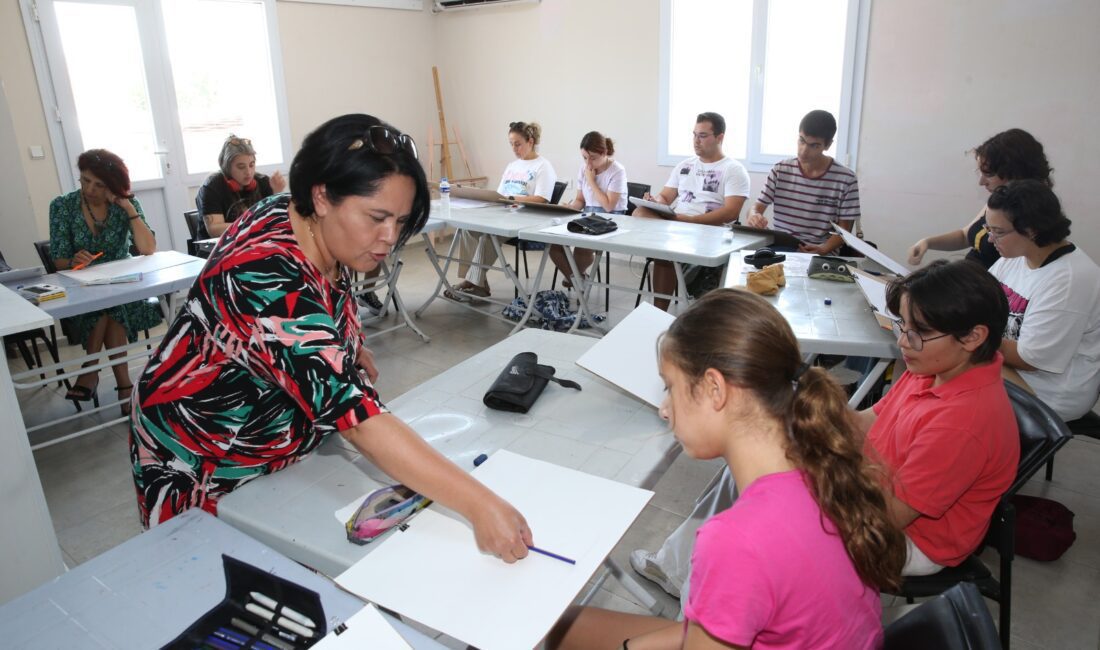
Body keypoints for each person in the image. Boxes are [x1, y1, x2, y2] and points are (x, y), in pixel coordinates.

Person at [129, 114, 533, 565]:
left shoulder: (303, 218)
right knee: (222, 576)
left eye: (400, 220)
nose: (390, 237)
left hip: (277, 432)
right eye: (377, 217)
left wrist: (347, 342)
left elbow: (319, 297)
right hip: (206, 452)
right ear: (322, 196)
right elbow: (356, 418)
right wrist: (479, 504)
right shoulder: (263, 273)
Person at [632, 260, 1020, 598]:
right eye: (902, 324)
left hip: (909, 541)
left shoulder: (964, 423)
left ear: (973, 337)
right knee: (752, 455)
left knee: (765, 494)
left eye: (918, 331)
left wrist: (811, 473)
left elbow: (890, 517)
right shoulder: (934, 369)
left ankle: (708, 597)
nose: (903, 341)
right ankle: (681, 568)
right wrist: (797, 391)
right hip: (874, 488)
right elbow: (866, 424)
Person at [548, 289, 904, 649]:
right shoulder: (827, 470)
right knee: (558, 625)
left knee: (548, 633)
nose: (664, 408)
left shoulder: (736, 540)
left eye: (670, 387)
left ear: (715, 389)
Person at [49, 149, 161, 413]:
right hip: (81, 290)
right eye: (85, 180)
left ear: (112, 185)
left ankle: (91, 369)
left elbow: (148, 248)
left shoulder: (125, 205)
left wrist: (128, 208)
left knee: (111, 303)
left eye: (99, 185)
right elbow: (59, 261)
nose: (90, 189)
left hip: (124, 286)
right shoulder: (62, 206)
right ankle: (124, 386)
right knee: (107, 306)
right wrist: (74, 260)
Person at [985, 179, 1100, 421]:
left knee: (944, 371)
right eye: (989, 229)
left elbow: (1029, 359)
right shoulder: (1016, 255)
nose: (990, 239)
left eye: (998, 232)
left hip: (1048, 392)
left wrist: (964, 333)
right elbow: (976, 296)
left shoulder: (1069, 280)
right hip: (1007, 364)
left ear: (1031, 230)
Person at [633, 112, 750, 311]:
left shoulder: (734, 169)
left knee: (665, 250)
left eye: (702, 136)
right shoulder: (684, 166)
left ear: (720, 137)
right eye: (694, 135)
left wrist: (690, 221)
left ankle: (666, 303)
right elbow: (665, 197)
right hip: (676, 225)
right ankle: (659, 312)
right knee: (640, 212)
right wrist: (655, 202)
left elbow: (731, 212)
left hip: (709, 230)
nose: (696, 141)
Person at [907, 128, 1053, 268]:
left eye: (989, 174)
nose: (981, 182)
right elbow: (965, 235)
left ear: (1015, 173)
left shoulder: (1033, 215)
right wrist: (927, 242)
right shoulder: (1000, 200)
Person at [446, 121, 556, 301]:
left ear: (530, 141)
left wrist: (512, 199)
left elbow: (542, 199)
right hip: (504, 213)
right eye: (511, 144)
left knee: (489, 234)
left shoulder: (543, 166)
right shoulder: (512, 166)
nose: (514, 149)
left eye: (518, 144)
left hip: (526, 218)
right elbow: (499, 195)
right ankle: (477, 282)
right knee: (467, 229)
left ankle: (473, 283)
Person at [745, 110, 860, 254]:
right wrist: (754, 216)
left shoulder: (846, 179)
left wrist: (823, 249)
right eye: (802, 140)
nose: (804, 151)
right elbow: (756, 208)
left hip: (821, 252)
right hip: (780, 248)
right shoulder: (780, 170)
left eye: (814, 146)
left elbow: (844, 231)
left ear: (828, 145)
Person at [548, 131, 627, 287]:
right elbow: (580, 200)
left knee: (582, 245)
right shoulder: (583, 169)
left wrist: (591, 181)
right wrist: (570, 208)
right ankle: (577, 279)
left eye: (593, 158)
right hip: (588, 216)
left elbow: (608, 206)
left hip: (612, 218)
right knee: (553, 244)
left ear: (604, 153)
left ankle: (574, 279)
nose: (588, 163)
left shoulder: (617, 170)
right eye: (585, 158)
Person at [197, 135, 287, 238]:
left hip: (254, 242)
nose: (248, 172)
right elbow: (214, 230)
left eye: (251, 165)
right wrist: (254, 224)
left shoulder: (263, 182)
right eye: (241, 167)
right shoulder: (211, 187)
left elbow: (276, 221)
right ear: (226, 167)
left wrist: (277, 193)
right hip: (218, 246)